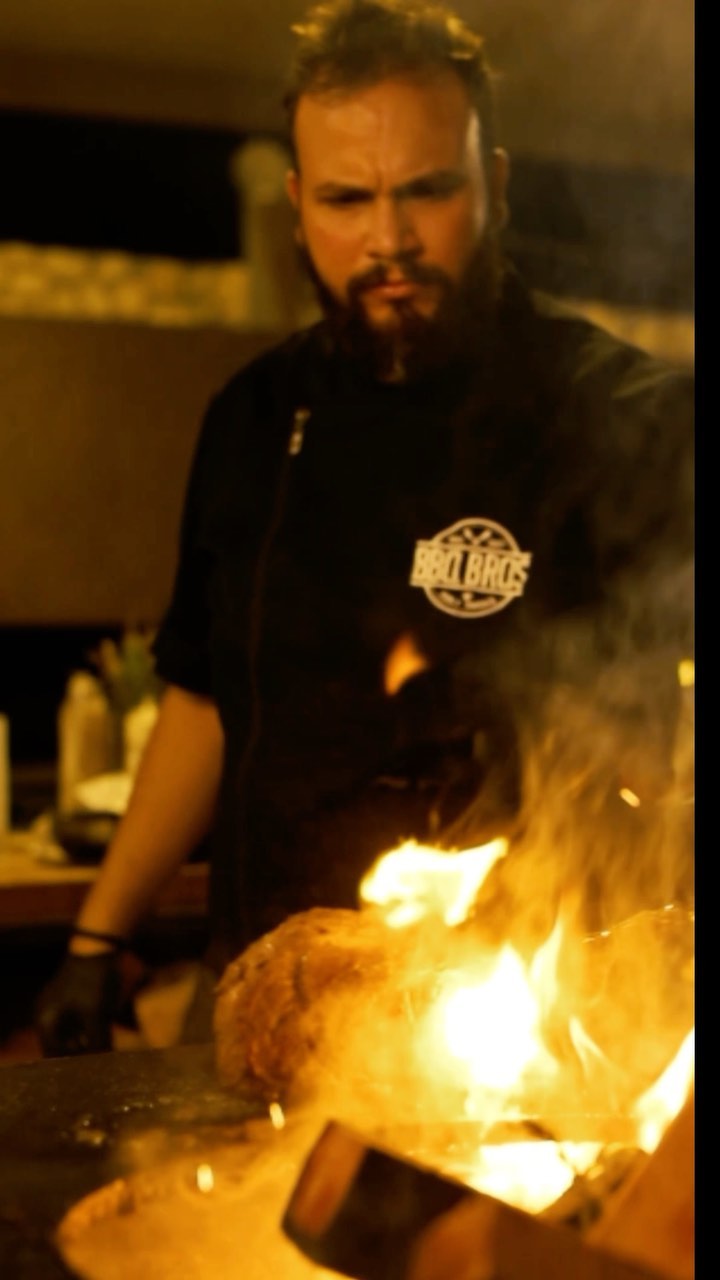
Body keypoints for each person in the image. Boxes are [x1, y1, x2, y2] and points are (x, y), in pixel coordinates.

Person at [36, 0, 694, 1057]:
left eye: (428, 189)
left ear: (497, 186)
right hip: (264, 1000)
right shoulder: (253, 416)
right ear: (299, 206)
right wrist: (95, 937)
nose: (390, 240)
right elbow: (202, 702)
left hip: (513, 1020)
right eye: (349, 198)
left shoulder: (622, 416)